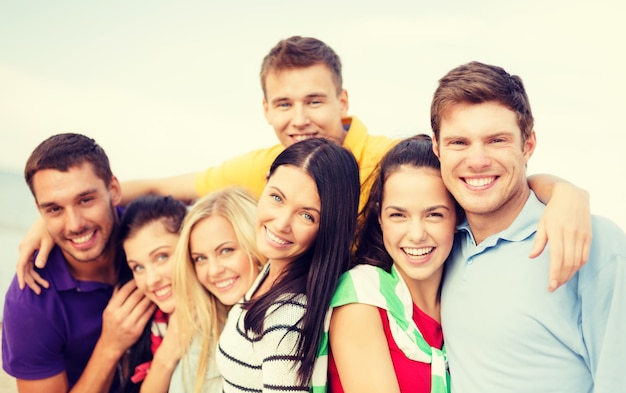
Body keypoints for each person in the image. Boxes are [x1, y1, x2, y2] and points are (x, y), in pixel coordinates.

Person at [17, 36, 592, 293]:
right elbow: (165, 185)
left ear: (343, 102)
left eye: (315, 100)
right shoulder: (272, 167)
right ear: (266, 109)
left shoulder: (393, 159)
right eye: (284, 103)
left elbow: (479, 175)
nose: (300, 118)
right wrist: (57, 217)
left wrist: (565, 192)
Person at [324, 136, 590, 393]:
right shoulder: (362, 295)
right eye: (398, 215)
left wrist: (567, 194)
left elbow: (515, 186)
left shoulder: (464, 291)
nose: (416, 234)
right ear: (380, 218)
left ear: (458, 217)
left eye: (434, 214)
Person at [430, 61, 626, 393]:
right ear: (437, 147)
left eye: (497, 140)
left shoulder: (593, 241)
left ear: (528, 145)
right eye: (459, 142)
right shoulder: (439, 244)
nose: (477, 160)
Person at [1, 133, 154, 393]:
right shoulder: (30, 302)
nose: (75, 224)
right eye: (54, 209)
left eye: (85, 200)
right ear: (40, 211)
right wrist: (110, 347)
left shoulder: (151, 236)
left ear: (113, 189)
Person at [213, 137, 360, 393]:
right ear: (265, 184)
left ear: (327, 227)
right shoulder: (271, 271)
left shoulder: (286, 316)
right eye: (277, 198)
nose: (281, 223)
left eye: (307, 215)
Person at [163, 187, 266, 393]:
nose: (213, 270)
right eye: (200, 258)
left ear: (254, 243)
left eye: (226, 251)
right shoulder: (202, 339)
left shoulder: (299, 317)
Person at [111, 195, 188, 393]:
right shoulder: (148, 322)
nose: (151, 280)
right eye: (138, 267)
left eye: (162, 257)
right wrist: (169, 349)